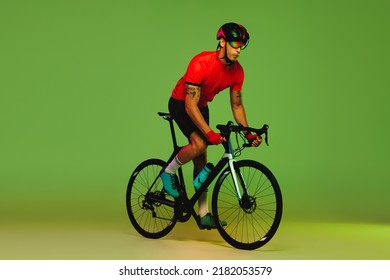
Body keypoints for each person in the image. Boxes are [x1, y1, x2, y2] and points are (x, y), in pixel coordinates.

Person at [161, 22, 262, 228]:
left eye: (242, 45)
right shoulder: (201, 63)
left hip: (202, 105)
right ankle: (168, 172)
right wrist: (209, 133)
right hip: (182, 103)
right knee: (200, 143)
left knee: (201, 158)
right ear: (222, 42)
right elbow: (190, 105)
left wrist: (248, 133)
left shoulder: (237, 72)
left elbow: (237, 105)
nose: (238, 50)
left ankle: (203, 214)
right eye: (235, 44)